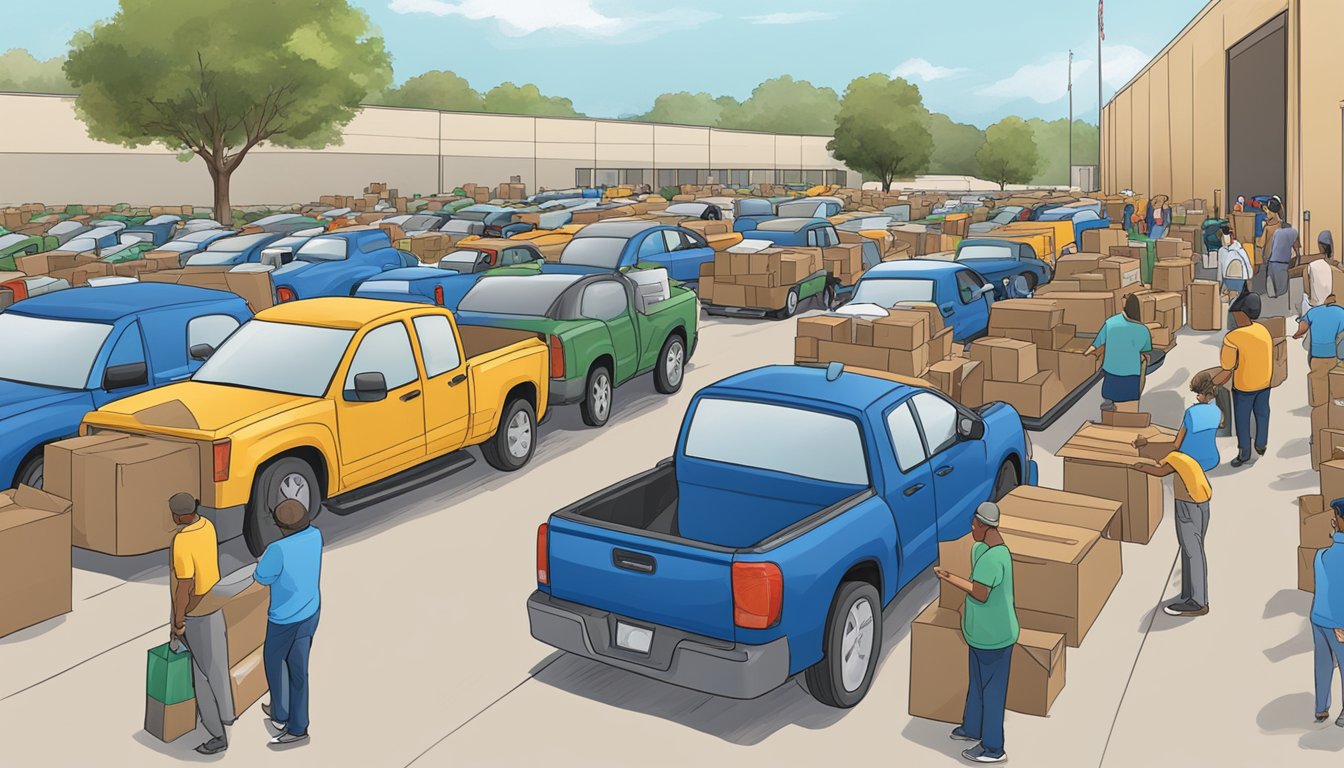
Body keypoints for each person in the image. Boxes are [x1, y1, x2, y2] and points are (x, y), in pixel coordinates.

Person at [935, 502, 1017, 764]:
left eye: (975, 525)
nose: (971, 528)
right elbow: (975, 549)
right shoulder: (985, 550)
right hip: (980, 636)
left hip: (995, 638)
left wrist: (948, 576)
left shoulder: (993, 560)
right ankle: (971, 729)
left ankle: (993, 748)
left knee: (992, 693)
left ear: (985, 526)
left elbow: (980, 594)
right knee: (978, 687)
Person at [254, 499, 324, 748]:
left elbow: (262, 577)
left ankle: (284, 717)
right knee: (298, 670)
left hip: (283, 619)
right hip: (310, 612)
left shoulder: (277, 550)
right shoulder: (316, 536)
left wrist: (263, 561)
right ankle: (295, 724)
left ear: (281, 526)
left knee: (274, 664)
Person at [168, 493, 228, 755]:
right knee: (217, 666)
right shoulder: (207, 526)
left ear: (180, 516)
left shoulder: (182, 540)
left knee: (201, 676)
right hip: (215, 602)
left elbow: (184, 586)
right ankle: (226, 714)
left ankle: (217, 734)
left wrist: (179, 620)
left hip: (196, 610)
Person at [1133, 451, 1213, 616]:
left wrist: (1140, 467)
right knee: (1192, 550)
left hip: (1188, 506)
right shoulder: (1185, 458)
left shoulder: (1172, 460)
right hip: (1202, 504)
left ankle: (1198, 602)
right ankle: (1189, 593)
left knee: (1192, 553)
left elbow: (1160, 471)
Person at [1213, 291, 1273, 467]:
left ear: (1241, 314)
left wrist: (1212, 383)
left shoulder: (1232, 338)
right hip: (1264, 382)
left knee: (1242, 419)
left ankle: (1244, 453)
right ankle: (1261, 444)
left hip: (1244, 386)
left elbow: (1227, 370)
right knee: (1263, 413)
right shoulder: (1263, 331)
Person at [1087, 293, 1152, 413]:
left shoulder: (1110, 323)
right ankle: (1130, 406)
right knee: (1144, 360)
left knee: (1110, 390)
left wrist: (1085, 355)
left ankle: (1108, 403)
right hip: (1131, 375)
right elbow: (1146, 350)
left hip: (1111, 373)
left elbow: (1096, 344)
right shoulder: (1143, 330)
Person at [1312, 499, 1344, 725]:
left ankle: (1321, 707)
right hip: (1339, 622)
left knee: (1323, 663)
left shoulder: (1321, 554)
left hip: (1318, 617)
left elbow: (1325, 589)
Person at [1294, 292, 1344, 408]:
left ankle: (1319, 405)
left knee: (1318, 378)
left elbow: (1302, 327)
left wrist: (1297, 335)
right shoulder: (1341, 312)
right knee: (1335, 377)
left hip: (1317, 354)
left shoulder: (1313, 312)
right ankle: (1335, 402)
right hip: (1335, 355)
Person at [1264, 201, 1301, 300]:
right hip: (1283, 264)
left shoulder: (1276, 232)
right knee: (1282, 292)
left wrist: (1266, 260)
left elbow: (1271, 248)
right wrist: (1296, 262)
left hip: (1272, 263)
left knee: (1272, 291)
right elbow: (1297, 251)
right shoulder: (1293, 232)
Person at [1217, 224, 1252, 303]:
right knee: (1223, 299)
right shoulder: (1221, 251)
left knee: (1235, 299)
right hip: (1227, 280)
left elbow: (1247, 264)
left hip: (1240, 280)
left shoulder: (1239, 250)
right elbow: (1220, 268)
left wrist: (1248, 277)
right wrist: (1219, 283)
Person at [1304, 231, 1337, 315]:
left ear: (1320, 246)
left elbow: (1307, 290)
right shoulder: (1334, 267)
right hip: (1330, 303)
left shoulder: (1312, 265)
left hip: (1315, 305)